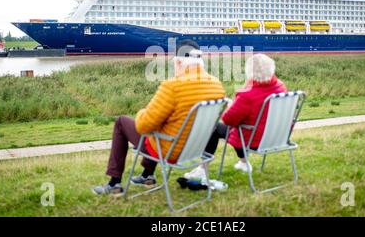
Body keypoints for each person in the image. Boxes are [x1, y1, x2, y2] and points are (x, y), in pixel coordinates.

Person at [93, 40, 225, 195]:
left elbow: (143, 126)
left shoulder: (173, 86)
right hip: (195, 150)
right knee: (163, 124)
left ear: (179, 62)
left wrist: (142, 111)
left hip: (170, 151)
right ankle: (147, 175)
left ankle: (114, 183)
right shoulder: (216, 85)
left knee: (122, 122)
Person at [184, 54, 287, 180]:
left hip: (255, 140)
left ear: (249, 72)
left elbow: (228, 120)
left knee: (214, 128)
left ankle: (202, 168)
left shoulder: (247, 96)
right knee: (240, 129)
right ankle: (243, 163)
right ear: (272, 69)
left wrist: (231, 105)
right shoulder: (280, 86)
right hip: (277, 137)